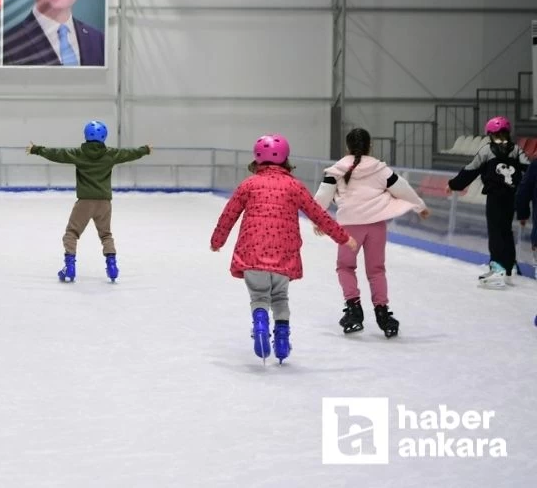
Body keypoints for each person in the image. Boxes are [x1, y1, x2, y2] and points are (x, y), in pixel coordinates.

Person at [210, 134, 356, 363]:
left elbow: (229, 214)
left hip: (252, 252)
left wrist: (217, 241)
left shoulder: (248, 185)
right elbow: (318, 214)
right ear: (286, 159)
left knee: (259, 296)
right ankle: (281, 336)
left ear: (257, 159)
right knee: (279, 297)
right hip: (283, 255)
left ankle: (260, 323)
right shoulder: (294, 185)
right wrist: (343, 237)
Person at [312, 128, 429, 338]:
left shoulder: (337, 170)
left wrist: (318, 219)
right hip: (376, 225)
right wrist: (419, 206)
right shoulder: (380, 169)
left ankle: (354, 310)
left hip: (349, 227)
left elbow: (323, 195)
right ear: (370, 146)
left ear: (347, 147)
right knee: (376, 270)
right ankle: (383, 314)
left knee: (345, 267)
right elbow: (402, 188)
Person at [25, 121, 149, 283]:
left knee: (72, 233)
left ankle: (69, 267)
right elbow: (129, 153)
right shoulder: (110, 154)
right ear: (104, 136)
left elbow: (58, 154)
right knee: (106, 235)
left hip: (84, 202)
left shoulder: (79, 153)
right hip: (104, 203)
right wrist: (144, 150)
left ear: (86, 135)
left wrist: (37, 150)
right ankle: (112, 267)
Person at [447, 116, 529, 288]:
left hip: (495, 196)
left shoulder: (487, 151)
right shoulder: (517, 150)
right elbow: (528, 170)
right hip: (511, 196)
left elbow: (471, 170)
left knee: (496, 231)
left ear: (490, 135)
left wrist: (453, 185)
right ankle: (509, 267)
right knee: (505, 230)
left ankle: (498, 266)